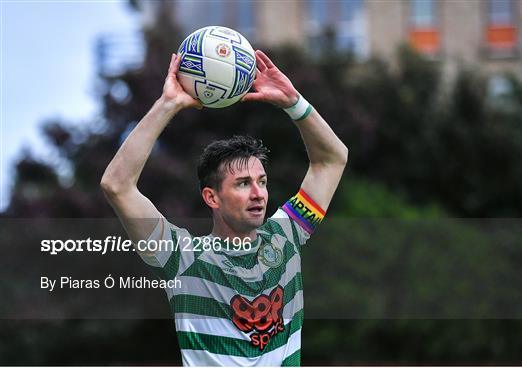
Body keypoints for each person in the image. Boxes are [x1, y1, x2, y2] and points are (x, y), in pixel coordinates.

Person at [101, 50, 348, 366]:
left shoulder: (287, 236)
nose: (258, 193)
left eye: (262, 181)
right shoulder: (182, 258)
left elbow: (332, 159)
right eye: (243, 184)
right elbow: (117, 185)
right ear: (211, 197)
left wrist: (293, 101)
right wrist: (168, 105)